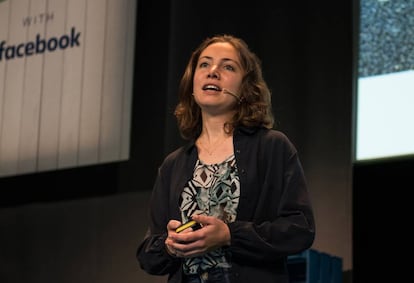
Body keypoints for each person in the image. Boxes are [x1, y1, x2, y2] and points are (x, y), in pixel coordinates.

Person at [136, 34, 315, 283]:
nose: (213, 72)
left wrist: (229, 235)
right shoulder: (172, 165)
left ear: (246, 87)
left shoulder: (272, 147)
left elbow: (299, 230)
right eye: (205, 64)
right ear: (192, 83)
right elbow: (148, 256)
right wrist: (169, 246)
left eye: (228, 66)